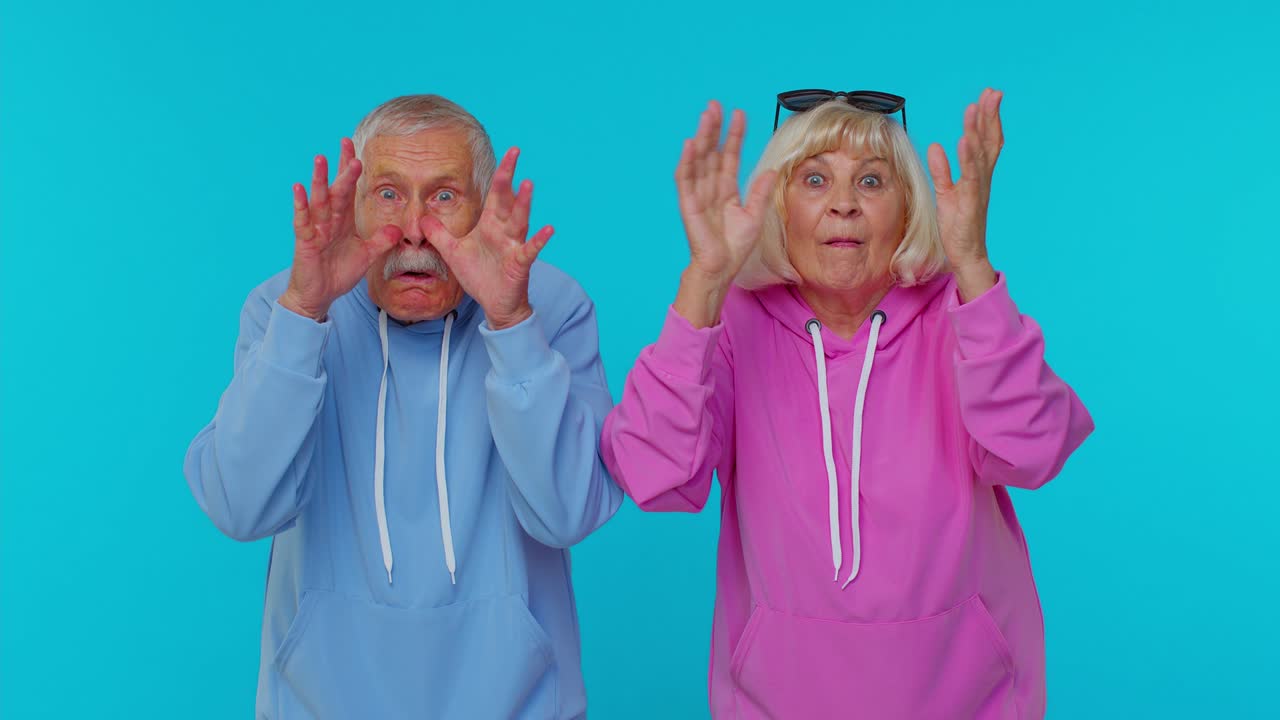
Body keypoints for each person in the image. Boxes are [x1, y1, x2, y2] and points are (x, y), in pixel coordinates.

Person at [601, 89, 1094, 718]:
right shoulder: (730, 328)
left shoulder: (963, 315)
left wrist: (972, 265)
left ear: (909, 205)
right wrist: (702, 284)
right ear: (776, 205)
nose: (843, 204)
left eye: (871, 180)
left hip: (970, 700)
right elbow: (656, 473)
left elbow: (1033, 451)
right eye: (814, 179)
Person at [184, 94, 621, 720]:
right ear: (354, 207)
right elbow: (241, 507)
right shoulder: (285, 310)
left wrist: (510, 322)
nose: (415, 228)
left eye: (444, 196)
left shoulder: (548, 307)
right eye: (388, 194)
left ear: (482, 209)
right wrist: (304, 316)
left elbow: (569, 512)